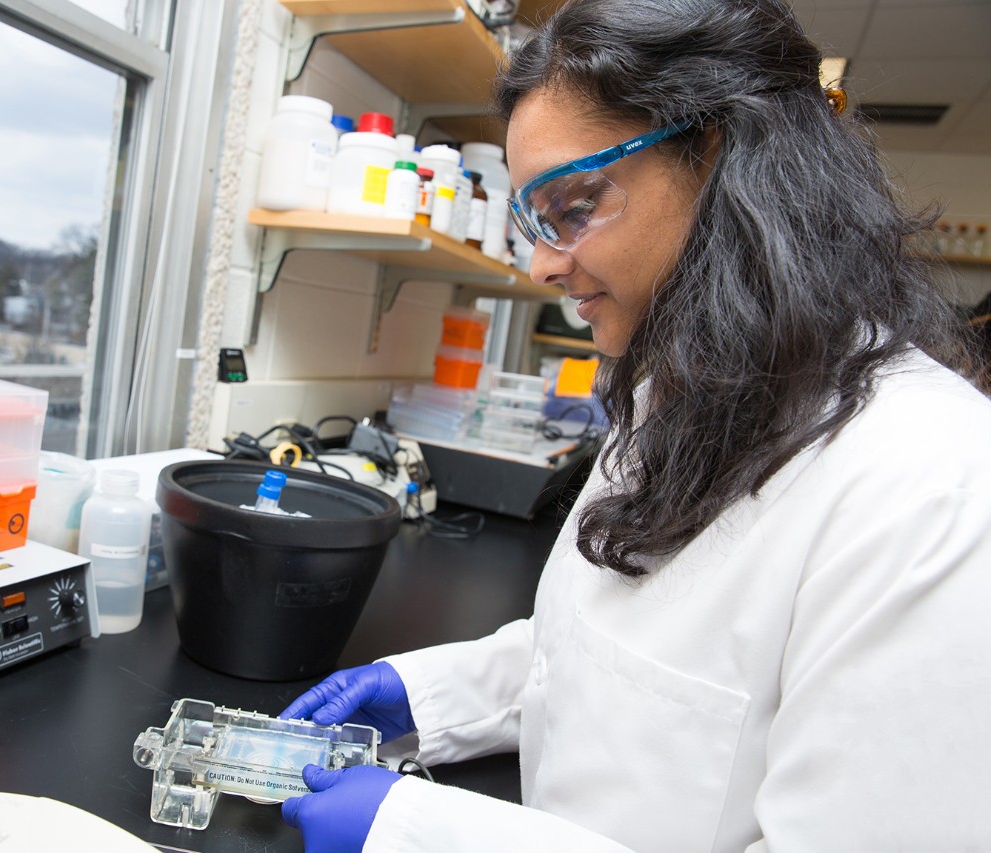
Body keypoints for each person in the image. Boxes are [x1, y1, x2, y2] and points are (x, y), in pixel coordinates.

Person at [277, 0, 991, 850]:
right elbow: (599, 661)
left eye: (574, 204)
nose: (542, 261)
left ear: (722, 157)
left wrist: (422, 834)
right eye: (533, 217)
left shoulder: (933, 481)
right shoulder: (679, 392)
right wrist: (423, 692)